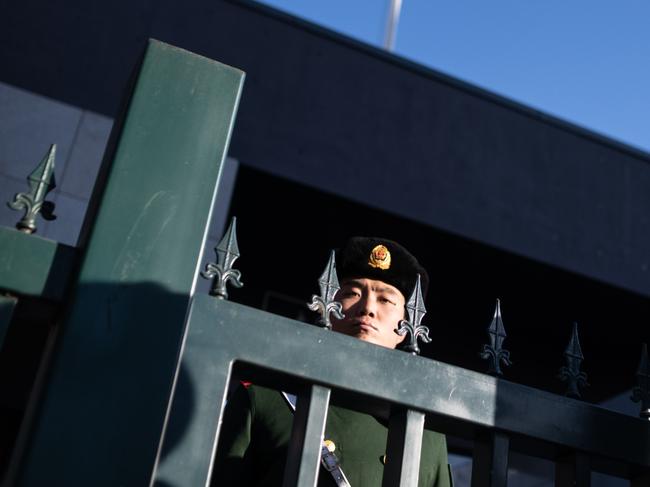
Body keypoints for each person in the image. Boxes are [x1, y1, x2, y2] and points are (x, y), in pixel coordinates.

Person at [213, 237, 452, 486]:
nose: (367, 308)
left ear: (407, 326)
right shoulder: (268, 397)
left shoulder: (426, 431)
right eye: (352, 293)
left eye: (386, 300)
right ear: (326, 305)